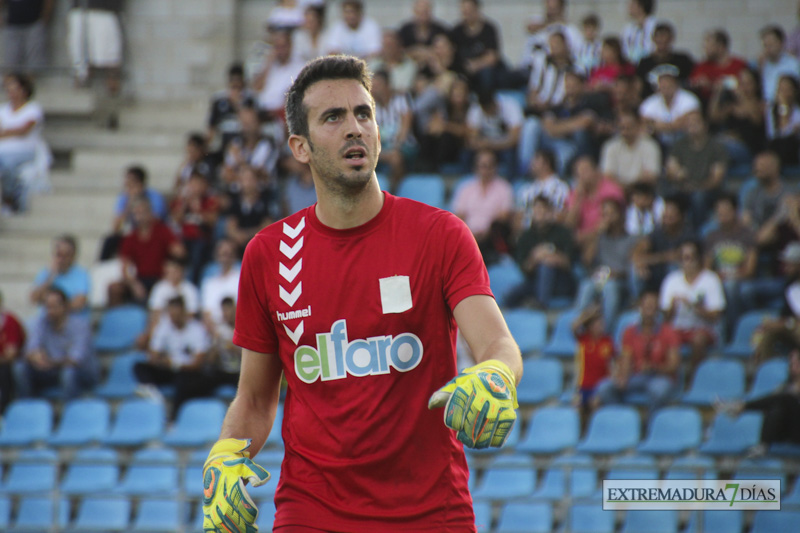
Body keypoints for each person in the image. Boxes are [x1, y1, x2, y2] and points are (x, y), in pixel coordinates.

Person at [202, 55, 522, 532]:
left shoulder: (440, 234)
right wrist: (226, 453)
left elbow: (497, 344)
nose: (355, 127)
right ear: (300, 147)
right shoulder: (268, 255)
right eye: (333, 117)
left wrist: (496, 374)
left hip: (432, 512)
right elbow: (254, 398)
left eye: (363, 113)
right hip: (311, 513)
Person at [594, 290, 680, 411]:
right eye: (646, 306)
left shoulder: (668, 332)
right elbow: (626, 357)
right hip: (636, 376)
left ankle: (651, 427)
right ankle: (623, 419)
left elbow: (674, 365)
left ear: (658, 310)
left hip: (660, 377)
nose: (649, 310)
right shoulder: (630, 331)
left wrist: (654, 367)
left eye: (652, 306)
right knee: (604, 388)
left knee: (658, 390)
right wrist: (622, 376)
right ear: (640, 308)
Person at [134, 295, 213, 420]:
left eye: (176, 314)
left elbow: (198, 363)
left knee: (182, 381)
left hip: (188, 372)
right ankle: (154, 394)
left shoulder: (196, 329)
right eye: (171, 314)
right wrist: (163, 361)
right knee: (139, 366)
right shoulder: (164, 327)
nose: (173, 318)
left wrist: (174, 364)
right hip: (169, 369)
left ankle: (174, 418)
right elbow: (153, 356)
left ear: (184, 312)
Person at [14, 286, 97, 400]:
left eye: (54, 307)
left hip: (81, 373)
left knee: (69, 373)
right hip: (51, 370)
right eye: (47, 307)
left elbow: (75, 360)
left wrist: (50, 362)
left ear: (65, 306)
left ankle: (70, 412)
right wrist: (35, 356)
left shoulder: (80, 326)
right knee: (20, 367)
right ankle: (28, 408)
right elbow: (30, 349)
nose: (50, 311)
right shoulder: (42, 322)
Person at [716, 349, 800, 458]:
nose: (793, 366)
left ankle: (740, 407)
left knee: (787, 398)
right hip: (785, 432)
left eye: (796, 362)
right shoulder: (786, 385)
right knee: (777, 408)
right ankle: (763, 446)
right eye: (791, 363)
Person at [659, 239, 725, 372]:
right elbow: (665, 318)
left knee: (698, 339)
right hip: (678, 328)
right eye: (683, 258)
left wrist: (693, 306)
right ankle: (669, 376)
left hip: (704, 328)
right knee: (665, 336)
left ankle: (694, 376)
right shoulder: (671, 280)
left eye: (690, 258)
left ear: (699, 258)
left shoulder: (711, 279)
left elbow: (716, 316)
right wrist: (673, 307)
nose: (686, 262)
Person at [575, 199, 641, 329]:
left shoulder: (632, 239)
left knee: (609, 287)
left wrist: (615, 273)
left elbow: (632, 270)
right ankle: (579, 328)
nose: (608, 218)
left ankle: (606, 332)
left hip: (621, 283)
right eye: (604, 215)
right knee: (586, 286)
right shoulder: (600, 237)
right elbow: (587, 260)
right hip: (600, 279)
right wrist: (597, 233)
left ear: (621, 215)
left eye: (611, 214)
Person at [508, 195, 577, 308]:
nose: (540, 213)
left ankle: (541, 304)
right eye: (537, 209)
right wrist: (535, 258)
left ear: (550, 212)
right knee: (511, 296)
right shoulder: (526, 236)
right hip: (534, 281)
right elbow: (525, 268)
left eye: (544, 209)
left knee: (546, 266)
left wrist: (554, 257)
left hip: (561, 280)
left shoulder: (563, 233)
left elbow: (569, 264)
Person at [703, 193, 758, 336]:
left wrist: (731, 276)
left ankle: (733, 331)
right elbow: (707, 268)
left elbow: (750, 270)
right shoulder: (711, 236)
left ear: (735, 211)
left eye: (726, 210)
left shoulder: (747, 235)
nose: (722, 214)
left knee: (731, 286)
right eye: (719, 211)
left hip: (741, 279)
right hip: (718, 279)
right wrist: (717, 277)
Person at [664, 110, 728, 229]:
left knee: (698, 197)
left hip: (707, 190)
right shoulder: (679, 145)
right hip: (683, 187)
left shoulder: (716, 147)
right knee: (669, 193)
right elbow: (670, 169)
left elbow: (716, 179)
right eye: (689, 123)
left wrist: (697, 187)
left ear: (705, 125)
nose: (691, 125)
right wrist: (676, 174)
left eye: (696, 122)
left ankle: (698, 231)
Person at [452, 149, 514, 264]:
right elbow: (459, 216)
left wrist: (485, 232)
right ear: (476, 167)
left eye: (490, 165)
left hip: (492, 236)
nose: (486, 170)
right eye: (483, 166)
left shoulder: (504, 188)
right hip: (469, 235)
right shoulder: (466, 188)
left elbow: (504, 216)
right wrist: (470, 234)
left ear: (496, 167)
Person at [119, 195, 184, 301]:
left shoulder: (163, 231)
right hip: (140, 279)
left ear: (150, 212)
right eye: (136, 213)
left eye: (142, 212)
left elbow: (179, 253)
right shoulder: (130, 238)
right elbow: (125, 266)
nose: (139, 216)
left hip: (161, 277)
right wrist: (134, 284)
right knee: (115, 289)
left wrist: (170, 269)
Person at [0, 72, 44, 213]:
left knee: (7, 165)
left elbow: (24, 130)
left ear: (24, 91)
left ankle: (9, 199)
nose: (12, 93)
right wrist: (12, 131)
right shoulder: (3, 109)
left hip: (25, 152)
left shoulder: (33, 108)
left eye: (15, 89)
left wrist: (6, 132)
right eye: (9, 90)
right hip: (3, 151)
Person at [563, 155, 625, 249]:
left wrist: (583, 237)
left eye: (585, 170)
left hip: (608, 241)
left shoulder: (612, 191)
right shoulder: (575, 193)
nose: (581, 175)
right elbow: (568, 227)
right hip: (580, 244)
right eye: (578, 173)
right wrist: (578, 199)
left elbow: (607, 226)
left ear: (596, 171)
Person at [754, 242, 800, 361]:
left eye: (790, 265)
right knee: (768, 332)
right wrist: (773, 324)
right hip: (792, 326)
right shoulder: (790, 286)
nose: (786, 268)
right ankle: (765, 368)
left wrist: (787, 324)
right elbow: (786, 315)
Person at [639, 64, 701, 149]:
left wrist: (656, 125)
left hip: (684, 139)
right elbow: (645, 123)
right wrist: (671, 126)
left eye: (669, 84)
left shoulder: (689, 99)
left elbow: (683, 123)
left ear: (676, 84)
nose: (666, 87)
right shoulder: (649, 103)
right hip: (658, 142)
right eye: (663, 85)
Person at [571, 305, 613, 430]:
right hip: (583, 385)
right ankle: (579, 436)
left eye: (601, 323)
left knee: (595, 404)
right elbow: (573, 327)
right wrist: (589, 315)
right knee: (576, 405)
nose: (600, 326)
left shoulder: (607, 341)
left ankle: (597, 432)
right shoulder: (583, 340)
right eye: (597, 323)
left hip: (599, 387)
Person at [449, 0, 504, 93]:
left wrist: (476, 65)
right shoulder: (456, 31)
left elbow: (492, 57)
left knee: (487, 74)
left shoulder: (489, 29)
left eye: (469, 10)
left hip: (485, 71)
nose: (467, 14)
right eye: (464, 11)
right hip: (463, 71)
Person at [599, 109, 661, 189]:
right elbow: (608, 176)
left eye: (629, 128)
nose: (625, 132)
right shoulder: (610, 146)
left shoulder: (651, 146)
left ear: (638, 126)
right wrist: (625, 187)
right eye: (622, 128)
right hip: (618, 191)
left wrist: (631, 186)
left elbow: (651, 176)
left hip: (642, 191)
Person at [207, 64, 258, 159]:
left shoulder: (250, 100)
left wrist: (237, 105)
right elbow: (211, 129)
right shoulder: (219, 101)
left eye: (239, 87)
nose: (236, 90)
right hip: (224, 145)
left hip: (243, 145)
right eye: (233, 86)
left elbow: (253, 126)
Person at [30, 234, 90, 314]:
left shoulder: (82, 275)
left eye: (65, 255)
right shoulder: (46, 272)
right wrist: (50, 276)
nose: (61, 259)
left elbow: (79, 303)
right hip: (47, 321)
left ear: (73, 256)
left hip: (71, 320)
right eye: (59, 255)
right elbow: (34, 299)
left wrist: (55, 308)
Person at [252, 30, 305, 118]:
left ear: (290, 46)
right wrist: (268, 63)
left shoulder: (299, 66)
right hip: (262, 111)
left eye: (283, 47)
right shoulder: (270, 65)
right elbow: (256, 88)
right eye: (277, 47)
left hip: (282, 113)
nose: (280, 51)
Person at [689, 28, 748, 105]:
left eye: (709, 46)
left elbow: (745, 86)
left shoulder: (739, 65)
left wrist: (716, 85)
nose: (705, 49)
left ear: (721, 46)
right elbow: (692, 82)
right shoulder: (701, 66)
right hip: (707, 105)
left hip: (734, 104)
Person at [515, 149, 570, 229]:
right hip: (529, 234)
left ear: (546, 164)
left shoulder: (561, 187)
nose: (531, 164)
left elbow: (563, 215)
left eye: (536, 160)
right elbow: (518, 217)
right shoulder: (526, 189)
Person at [635, 22, 695, 95]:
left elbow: (692, 81)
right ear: (653, 38)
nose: (661, 39)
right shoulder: (645, 62)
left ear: (671, 38)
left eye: (664, 36)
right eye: (658, 36)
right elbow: (638, 85)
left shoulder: (683, 60)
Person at [2, 0, 53, 72]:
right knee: (10, 66)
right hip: (12, 24)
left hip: (34, 23)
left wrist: (45, 17)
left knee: (36, 65)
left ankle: (31, 81)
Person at [201, 239, 241, 329]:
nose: (225, 258)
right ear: (217, 256)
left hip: (237, 328)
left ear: (234, 256)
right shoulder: (209, 283)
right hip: (215, 331)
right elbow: (206, 313)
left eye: (228, 254)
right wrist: (217, 333)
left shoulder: (240, 278)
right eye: (223, 254)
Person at [398, 0, 449, 65]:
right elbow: (400, 51)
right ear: (415, 12)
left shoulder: (441, 30)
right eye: (420, 12)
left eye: (426, 12)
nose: (423, 16)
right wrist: (416, 52)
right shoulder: (405, 30)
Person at [759, 25, 800, 103]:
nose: (768, 48)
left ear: (781, 43)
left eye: (771, 44)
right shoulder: (763, 65)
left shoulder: (793, 64)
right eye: (765, 45)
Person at [765, 75, 800, 166]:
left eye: (787, 89)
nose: (784, 93)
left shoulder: (797, 110)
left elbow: (786, 132)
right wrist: (783, 107)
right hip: (778, 146)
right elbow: (774, 134)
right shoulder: (772, 110)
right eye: (781, 89)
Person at [0, 289, 25, 413]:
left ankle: (4, 412)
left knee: (6, 369)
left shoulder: (10, 322)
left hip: (7, 367)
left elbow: (10, 355)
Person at [621, 0, 657, 65]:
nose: (629, 7)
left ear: (641, 6)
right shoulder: (629, 27)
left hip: (649, 62)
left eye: (633, 4)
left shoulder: (654, 25)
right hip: (631, 63)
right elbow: (624, 46)